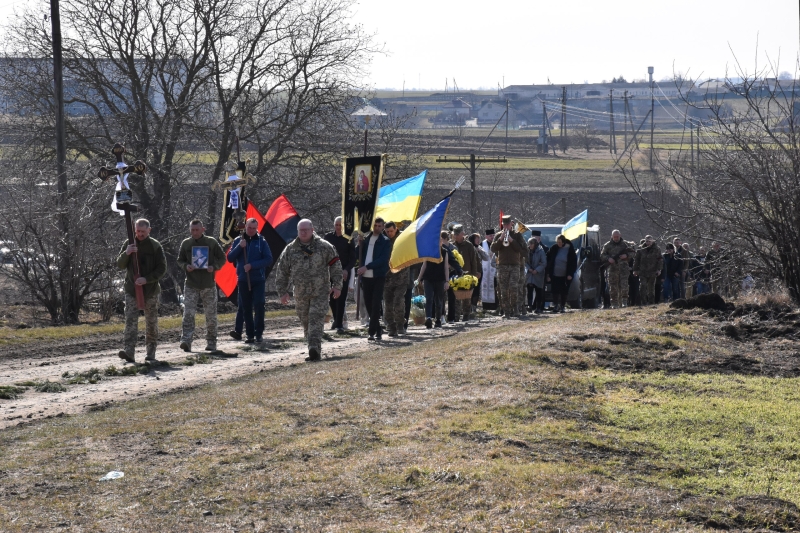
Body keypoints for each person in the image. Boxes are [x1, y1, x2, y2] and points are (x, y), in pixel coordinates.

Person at [276, 219, 342, 361]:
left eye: (306, 229)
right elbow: (282, 271)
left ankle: (314, 349)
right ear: (298, 231)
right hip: (300, 293)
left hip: (320, 292)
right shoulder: (290, 249)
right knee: (306, 321)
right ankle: (312, 344)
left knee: (315, 319)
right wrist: (282, 292)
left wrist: (337, 286)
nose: (303, 232)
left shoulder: (324, 247)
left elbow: (336, 266)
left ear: (312, 230)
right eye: (301, 230)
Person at [116, 218, 167, 363]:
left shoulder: (155, 246)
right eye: (137, 231)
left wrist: (147, 279)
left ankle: (151, 353)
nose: (139, 234)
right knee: (130, 321)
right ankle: (129, 351)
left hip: (150, 290)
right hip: (132, 289)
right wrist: (127, 253)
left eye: (143, 231)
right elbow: (120, 264)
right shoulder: (129, 243)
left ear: (149, 230)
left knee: (151, 322)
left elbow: (162, 268)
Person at [177, 220, 226, 352]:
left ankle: (211, 341)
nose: (195, 232)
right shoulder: (186, 243)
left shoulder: (211, 242)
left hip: (208, 284)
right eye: (192, 230)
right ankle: (186, 340)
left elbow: (222, 258)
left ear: (202, 229)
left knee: (210, 314)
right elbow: (180, 260)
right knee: (188, 313)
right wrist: (186, 266)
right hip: (191, 284)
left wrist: (214, 267)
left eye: (197, 230)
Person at [227, 218, 273, 345]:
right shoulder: (238, 240)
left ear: (257, 228)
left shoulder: (261, 241)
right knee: (246, 307)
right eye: (249, 228)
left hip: (258, 279)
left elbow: (268, 259)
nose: (251, 230)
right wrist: (239, 248)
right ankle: (249, 334)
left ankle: (259, 333)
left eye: (254, 228)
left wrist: (252, 265)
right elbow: (230, 258)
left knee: (259, 305)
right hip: (243, 279)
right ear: (245, 227)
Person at [357, 217, 391, 341]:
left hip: (378, 276)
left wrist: (368, 267)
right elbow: (358, 254)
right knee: (368, 303)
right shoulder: (366, 239)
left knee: (376, 303)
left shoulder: (385, 241)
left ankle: (371, 332)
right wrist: (359, 244)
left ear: (383, 227)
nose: (377, 228)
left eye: (379, 226)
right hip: (365, 277)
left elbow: (382, 259)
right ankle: (378, 328)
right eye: (375, 226)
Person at [323, 216, 355, 333]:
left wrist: (346, 270)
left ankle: (339, 324)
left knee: (341, 298)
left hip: (343, 272)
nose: (338, 227)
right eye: (336, 225)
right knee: (332, 298)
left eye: (340, 225)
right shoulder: (328, 237)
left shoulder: (349, 239)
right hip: (330, 271)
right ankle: (336, 320)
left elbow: (353, 258)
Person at [491, 215, 526, 318]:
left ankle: (515, 308)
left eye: (507, 224)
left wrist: (512, 241)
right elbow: (493, 248)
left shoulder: (517, 235)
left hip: (515, 265)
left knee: (513, 288)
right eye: (504, 224)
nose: (506, 226)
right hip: (502, 266)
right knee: (503, 289)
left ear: (511, 224)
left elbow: (521, 249)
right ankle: (506, 311)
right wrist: (501, 239)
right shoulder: (498, 235)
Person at [416, 231, 450, 328]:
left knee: (439, 300)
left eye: (439, 241)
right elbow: (424, 265)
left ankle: (438, 319)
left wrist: (447, 281)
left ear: (441, 242)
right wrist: (419, 278)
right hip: (428, 278)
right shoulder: (429, 251)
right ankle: (429, 318)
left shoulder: (444, 252)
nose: (438, 243)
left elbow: (446, 267)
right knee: (429, 298)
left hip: (440, 279)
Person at [382, 221, 408, 336]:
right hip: (387, 277)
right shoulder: (383, 239)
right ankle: (391, 327)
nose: (389, 233)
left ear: (396, 229)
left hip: (401, 276)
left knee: (398, 301)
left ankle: (400, 325)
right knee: (388, 303)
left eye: (391, 231)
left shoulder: (403, 238)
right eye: (387, 231)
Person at [451, 224, 480, 321]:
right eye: (454, 234)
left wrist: (474, 274)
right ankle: (456, 316)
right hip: (455, 274)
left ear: (461, 234)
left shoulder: (469, 245)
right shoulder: (452, 245)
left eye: (457, 234)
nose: (455, 236)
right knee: (456, 296)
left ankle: (466, 315)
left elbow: (473, 261)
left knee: (466, 296)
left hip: (467, 274)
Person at [600, 229, 635, 308]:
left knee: (624, 285)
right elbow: (602, 255)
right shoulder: (607, 245)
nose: (616, 238)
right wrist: (608, 258)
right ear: (612, 236)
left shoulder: (626, 244)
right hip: (612, 269)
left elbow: (633, 253)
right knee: (613, 287)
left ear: (620, 235)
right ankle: (614, 303)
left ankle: (624, 302)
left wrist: (626, 256)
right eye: (614, 237)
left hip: (623, 268)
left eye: (617, 236)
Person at [546, 233, 578, 312]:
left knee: (564, 291)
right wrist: (548, 274)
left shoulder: (569, 249)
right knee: (555, 290)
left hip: (565, 275)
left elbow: (573, 263)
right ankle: (556, 305)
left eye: (560, 242)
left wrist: (570, 274)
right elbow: (549, 259)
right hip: (555, 274)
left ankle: (563, 306)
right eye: (557, 242)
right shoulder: (554, 248)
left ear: (563, 242)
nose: (558, 244)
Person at [632, 235, 662, 305]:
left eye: (649, 241)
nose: (648, 243)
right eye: (647, 241)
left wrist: (659, 269)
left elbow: (660, 260)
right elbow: (636, 259)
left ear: (652, 241)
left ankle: (651, 302)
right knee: (643, 286)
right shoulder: (640, 248)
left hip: (652, 271)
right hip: (642, 271)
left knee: (651, 288)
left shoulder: (657, 249)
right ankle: (644, 302)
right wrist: (635, 269)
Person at [525, 234, 547, 313]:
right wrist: (529, 268)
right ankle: (529, 306)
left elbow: (544, 263)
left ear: (535, 244)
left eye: (531, 244)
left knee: (538, 291)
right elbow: (525, 261)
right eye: (529, 244)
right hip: (530, 274)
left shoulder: (540, 251)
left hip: (538, 274)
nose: (530, 245)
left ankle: (538, 307)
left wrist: (537, 270)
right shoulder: (527, 251)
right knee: (529, 290)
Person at [480, 229, 498, 312]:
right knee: (484, 287)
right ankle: (485, 307)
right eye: (490, 236)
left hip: (494, 269)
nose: (492, 237)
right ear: (486, 236)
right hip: (484, 270)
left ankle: (495, 306)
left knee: (494, 286)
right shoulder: (482, 244)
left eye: (493, 235)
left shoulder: (497, 244)